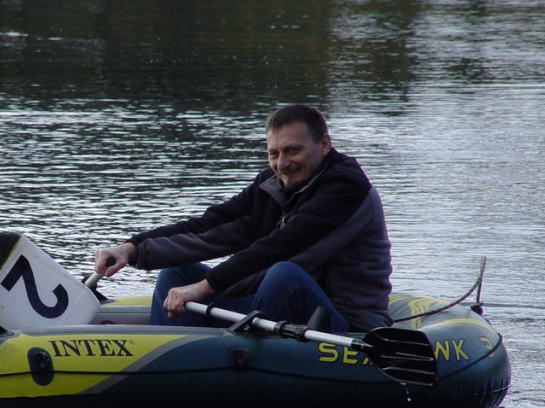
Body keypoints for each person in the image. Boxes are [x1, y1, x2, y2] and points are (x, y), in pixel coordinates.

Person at [94, 104, 392, 333]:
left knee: (283, 273)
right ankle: (168, 368)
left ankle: (240, 363)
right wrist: (132, 248)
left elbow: (285, 247)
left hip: (345, 326)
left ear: (324, 145)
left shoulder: (346, 190)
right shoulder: (272, 186)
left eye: (293, 150)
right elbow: (211, 226)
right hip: (279, 304)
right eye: (273, 153)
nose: (282, 164)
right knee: (177, 274)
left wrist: (205, 287)